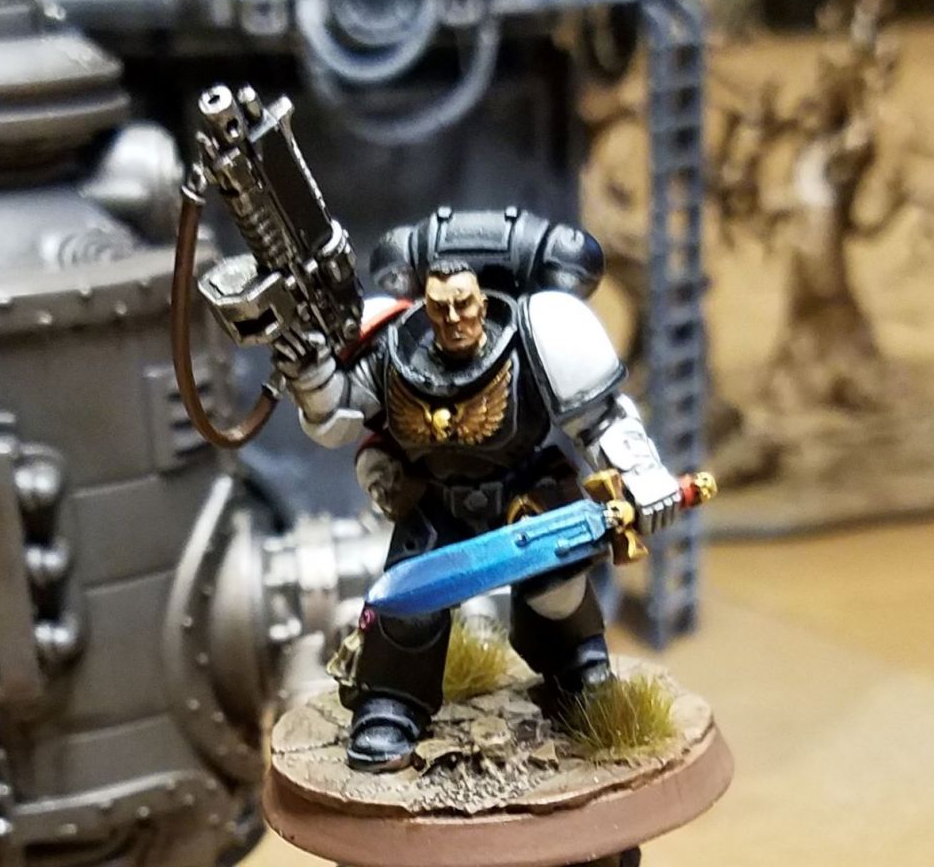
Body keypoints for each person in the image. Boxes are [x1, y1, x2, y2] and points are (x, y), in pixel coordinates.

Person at [277, 259, 682, 772]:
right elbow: (338, 416)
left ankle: (579, 671)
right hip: (436, 498)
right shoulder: (392, 351)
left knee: (558, 588)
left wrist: (642, 473)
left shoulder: (533, 340)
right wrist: (312, 374)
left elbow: (600, 417)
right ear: (425, 308)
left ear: (483, 303)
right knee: (410, 600)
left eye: (463, 305)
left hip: (522, 493)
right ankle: (392, 702)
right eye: (439, 308)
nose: (453, 319)